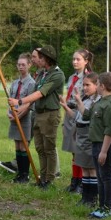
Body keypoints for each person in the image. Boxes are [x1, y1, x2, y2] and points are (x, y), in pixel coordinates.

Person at [8, 45, 64, 189]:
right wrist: (18, 110)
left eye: (40, 57)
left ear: (47, 59)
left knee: (49, 148)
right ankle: (43, 177)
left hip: (50, 114)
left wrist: (19, 101)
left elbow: (40, 93)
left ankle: (49, 180)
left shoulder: (57, 74)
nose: (37, 60)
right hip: (38, 113)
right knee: (40, 147)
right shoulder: (41, 74)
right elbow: (32, 95)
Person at [80, 72, 111, 218]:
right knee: (101, 177)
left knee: (107, 177)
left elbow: (110, 131)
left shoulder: (110, 105)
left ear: (102, 86)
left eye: (97, 84)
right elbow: (87, 115)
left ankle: (108, 207)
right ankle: (101, 206)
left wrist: (103, 151)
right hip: (97, 144)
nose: (95, 86)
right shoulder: (100, 102)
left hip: (106, 146)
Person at [61, 49, 93, 193]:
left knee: (79, 148)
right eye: (73, 59)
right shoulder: (71, 78)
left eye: (78, 59)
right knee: (73, 150)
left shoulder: (88, 79)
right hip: (69, 113)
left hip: (79, 113)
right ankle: (74, 180)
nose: (74, 62)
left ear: (86, 61)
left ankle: (81, 182)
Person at [70, 72, 99, 206]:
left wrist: (79, 102)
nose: (85, 87)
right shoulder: (86, 98)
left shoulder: (96, 101)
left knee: (91, 168)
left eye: (88, 85)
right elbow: (78, 116)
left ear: (97, 85)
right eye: (84, 85)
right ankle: (85, 196)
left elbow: (88, 116)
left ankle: (92, 198)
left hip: (88, 134)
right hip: (80, 133)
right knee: (84, 167)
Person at [6, 53, 36, 183]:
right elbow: (11, 100)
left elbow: (29, 104)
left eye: (23, 64)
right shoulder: (14, 83)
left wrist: (18, 116)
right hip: (14, 118)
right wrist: (9, 113)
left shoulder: (31, 83)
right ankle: (19, 174)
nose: (21, 67)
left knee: (24, 146)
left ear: (29, 65)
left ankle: (25, 174)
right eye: (19, 64)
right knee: (17, 146)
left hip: (24, 118)